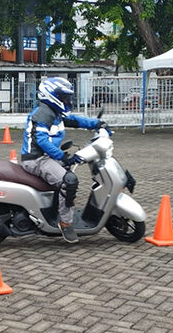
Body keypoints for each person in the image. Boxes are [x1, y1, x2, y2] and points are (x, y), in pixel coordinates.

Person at [20, 77, 108, 243]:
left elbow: (75, 120)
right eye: (63, 96)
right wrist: (63, 156)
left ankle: (55, 209)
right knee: (69, 181)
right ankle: (65, 222)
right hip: (36, 159)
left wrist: (97, 124)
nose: (67, 100)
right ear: (51, 95)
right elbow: (42, 141)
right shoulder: (43, 113)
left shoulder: (55, 113)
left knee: (68, 173)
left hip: (46, 157)